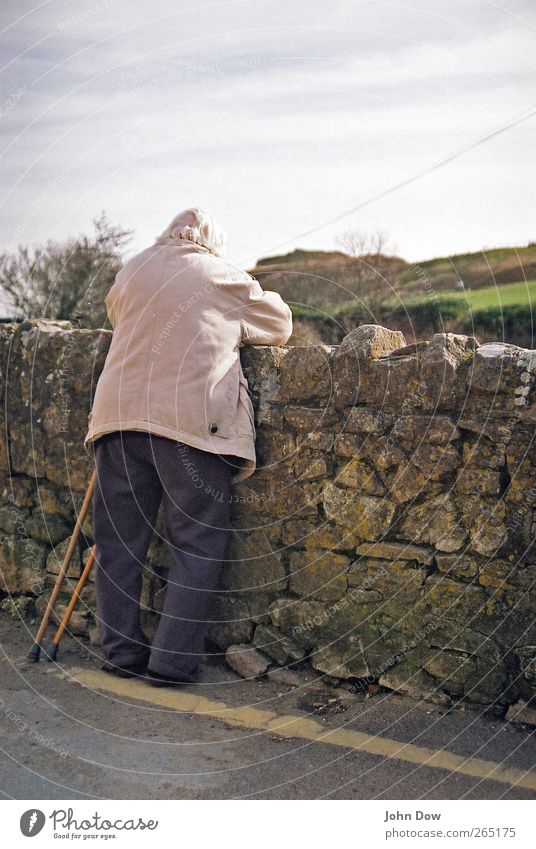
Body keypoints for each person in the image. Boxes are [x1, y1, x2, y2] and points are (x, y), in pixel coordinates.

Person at [83, 208, 293, 686]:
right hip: (189, 428)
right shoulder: (222, 274)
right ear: (211, 243)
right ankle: (172, 664)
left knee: (118, 544)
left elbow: (117, 313)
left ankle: (119, 653)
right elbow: (279, 324)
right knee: (196, 543)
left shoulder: (133, 268)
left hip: (117, 420)